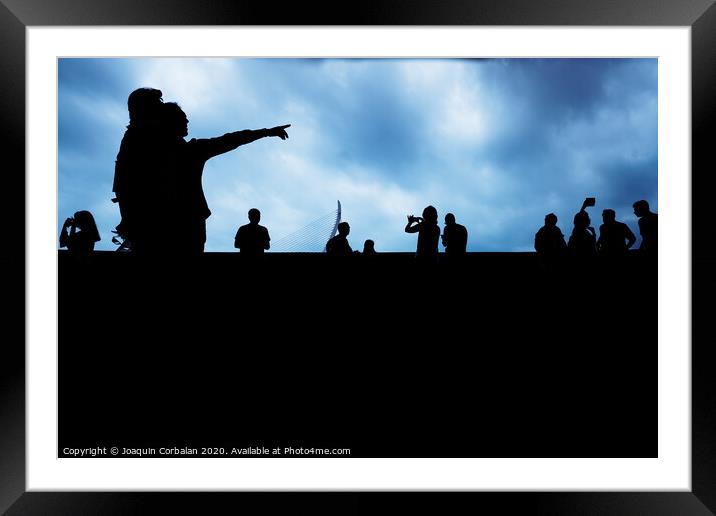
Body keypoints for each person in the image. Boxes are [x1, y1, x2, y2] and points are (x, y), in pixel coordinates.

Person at [162, 102, 290, 255]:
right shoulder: (191, 151)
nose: (187, 122)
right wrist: (267, 132)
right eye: (182, 118)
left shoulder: (148, 153)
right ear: (170, 122)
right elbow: (232, 139)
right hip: (190, 222)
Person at [112, 87, 165, 254]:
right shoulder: (139, 138)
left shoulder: (137, 136)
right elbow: (123, 184)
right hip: (148, 216)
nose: (160, 106)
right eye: (157, 103)